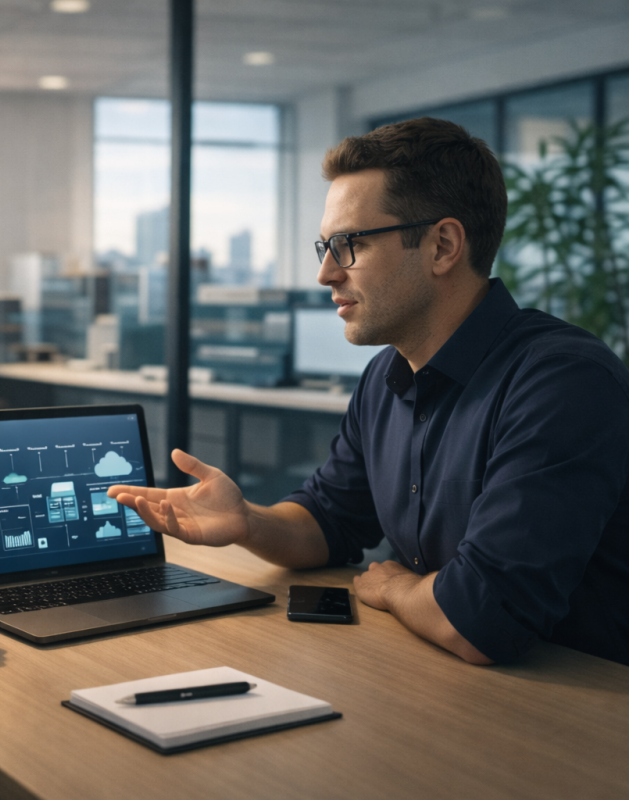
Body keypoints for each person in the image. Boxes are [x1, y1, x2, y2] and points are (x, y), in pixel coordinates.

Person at [111, 117, 629, 667]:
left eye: (350, 243)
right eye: (325, 246)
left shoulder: (561, 382)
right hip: (446, 688)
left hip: (581, 714)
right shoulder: (388, 376)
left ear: (443, 245)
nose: (327, 273)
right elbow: (329, 521)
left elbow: (483, 616)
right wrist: (248, 522)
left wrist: (394, 589)